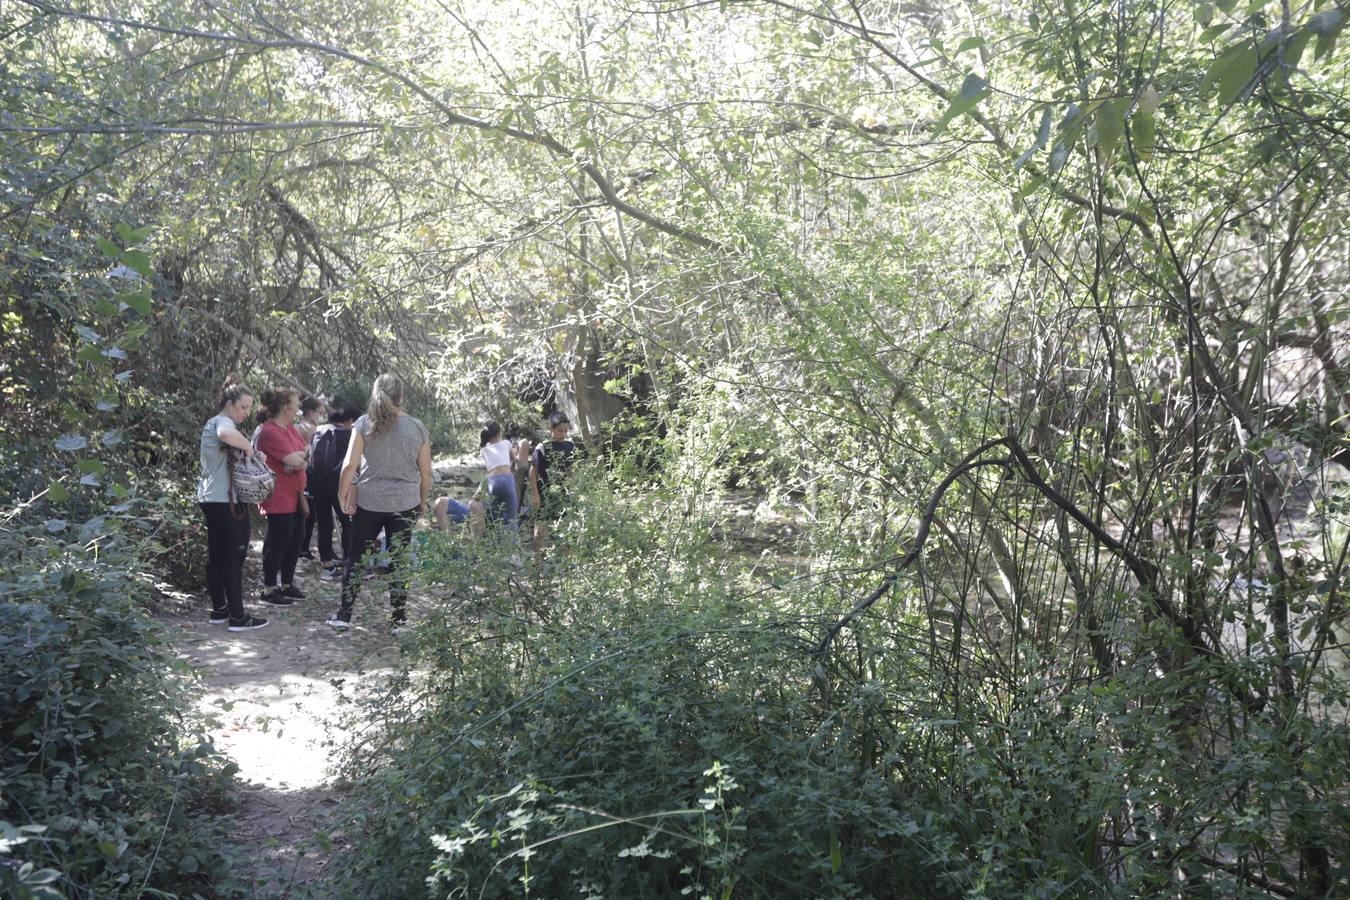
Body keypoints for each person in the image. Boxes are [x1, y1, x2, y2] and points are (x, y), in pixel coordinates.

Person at [329, 374, 432, 629]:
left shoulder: (364, 424)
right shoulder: (417, 427)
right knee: (399, 560)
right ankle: (398, 620)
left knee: (356, 557)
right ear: (402, 396)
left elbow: (349, 465)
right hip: (405, 502)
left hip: (370, 502)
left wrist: (342, 495)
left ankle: (344, 615)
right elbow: (426, 472)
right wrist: (423, 502)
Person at [196, 374, 268, 632]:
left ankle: (220, 610)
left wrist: (249, 451)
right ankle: (238, 617)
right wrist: (248, 446)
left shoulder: (217, 422)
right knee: (233, 557)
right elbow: (226, 434)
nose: (246, 413)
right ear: (229, 403)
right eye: (243, 407)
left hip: (211, 497)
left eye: (249, 408)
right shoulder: (222, 422)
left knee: (217, 555)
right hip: (225, 500)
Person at [255, 388, 310, 607]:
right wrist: (297, 460)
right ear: (286, 407)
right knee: (279, 541)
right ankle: (269, 589)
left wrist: (299, 459)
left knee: (297, 538)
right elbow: (296, 460)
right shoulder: (270, 432)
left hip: (295, 494)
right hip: (277, 495)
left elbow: (305, 452)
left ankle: (286, 584)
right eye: (297, 403)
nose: (299, 408)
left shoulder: (290, 428)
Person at [308, 405, 359, 577]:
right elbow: (353, 463)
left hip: (316, 483)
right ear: (351, 421)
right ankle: (349, 563)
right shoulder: (348, 435)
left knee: (324, 525)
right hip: (337, 484)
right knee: (348, 522)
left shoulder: (319, 430)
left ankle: (327, 565)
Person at [528, 410, 582, 551]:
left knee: (565, 529)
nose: (563, 434)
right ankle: (537, 561)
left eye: (565, 431)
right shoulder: (542, 447)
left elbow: (571, 469)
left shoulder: (570, 446)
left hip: (563, 494)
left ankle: (566, 563)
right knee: (540, 530)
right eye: (559, 431)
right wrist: (535, 494)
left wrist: (573, 488)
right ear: (551, 429)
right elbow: (533, 473)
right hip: (544, 494)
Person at [297, 395, 326, 559]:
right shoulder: (308, 428)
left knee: (307, 513)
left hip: (305, 471)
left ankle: (303, 547)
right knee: (309, 514)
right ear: (311, 412)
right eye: (319, 412)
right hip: (308, 473)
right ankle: (303, 548)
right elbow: (312, 451)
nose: (320, 416)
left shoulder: (298, 426)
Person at [479, 421, 518, 529]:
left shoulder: (483, 450)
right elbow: (514, 459)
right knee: (512, 518)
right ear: (499, 433)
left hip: (493, 482)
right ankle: (513, 543)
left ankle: (497, 542)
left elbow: (489, 468)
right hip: (507, 479)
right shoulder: (506, 443)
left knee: (496, 519)